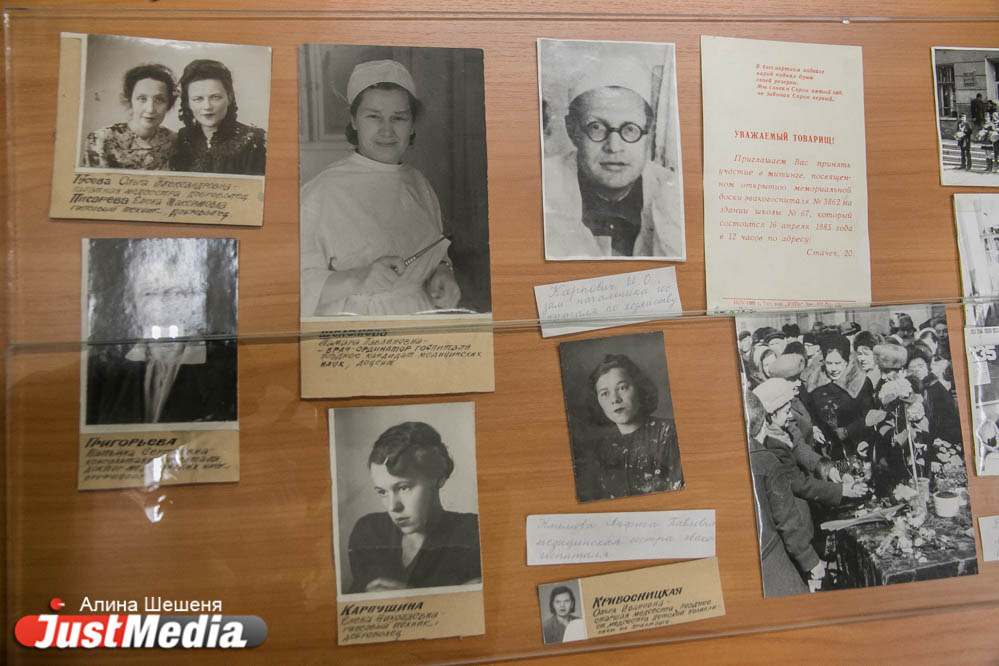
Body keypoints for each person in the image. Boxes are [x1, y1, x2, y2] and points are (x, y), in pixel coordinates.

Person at [300, 59, 461, 316]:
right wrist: (358, 278)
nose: (387, 131)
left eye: (399, 118)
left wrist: (443, 272)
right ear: (354, 120)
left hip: (421, 315)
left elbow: (434, 250)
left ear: (412, 124)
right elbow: (293, 285)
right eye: (374, 116)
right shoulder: (320, 192)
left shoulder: (418, 182)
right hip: (359, 325)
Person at [543, 57, 683, 259]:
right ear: (572, 129)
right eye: (596, 127)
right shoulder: (542, 185)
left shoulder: (673, 194)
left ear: (649, 131)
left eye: (630, 129)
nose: (614, 147)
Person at [86, 239, 237, 425]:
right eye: (150, 293)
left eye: (178, 293)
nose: (163, 306)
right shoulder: (99, 370)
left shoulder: (231, 366)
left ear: (198, 302)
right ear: (131, 304)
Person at [345, 422, 481, 593]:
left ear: (438, 478)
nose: (393, 507)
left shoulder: (473, 531)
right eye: (382, 492)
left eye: (404, 488)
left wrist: (414, 596)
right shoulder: (369, 531)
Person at [747, 382, 823, 595]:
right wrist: (811, 561)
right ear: (765, 419)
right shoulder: (767, 459)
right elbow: (786, 518)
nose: (790, 416)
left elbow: (801, 447)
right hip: (774, 559)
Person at [575, 354, 684, 501]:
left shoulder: (670, 433)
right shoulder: (601, 451)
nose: (615, 399)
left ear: (639, 388)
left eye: (622, 387)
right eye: (605, 393)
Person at [170, 59, 266, 175]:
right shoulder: (182, 139)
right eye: (198, 99)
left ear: (229, 98)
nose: (207, 106)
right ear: (188, 103)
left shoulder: (254, 140)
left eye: (215, 97)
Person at [83, 64, 178, 170]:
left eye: (159, 100)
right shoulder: (101, 139)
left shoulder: (175, 141)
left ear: (169, 104)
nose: (150, 109)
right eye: (142, 98)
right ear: (130, 100)